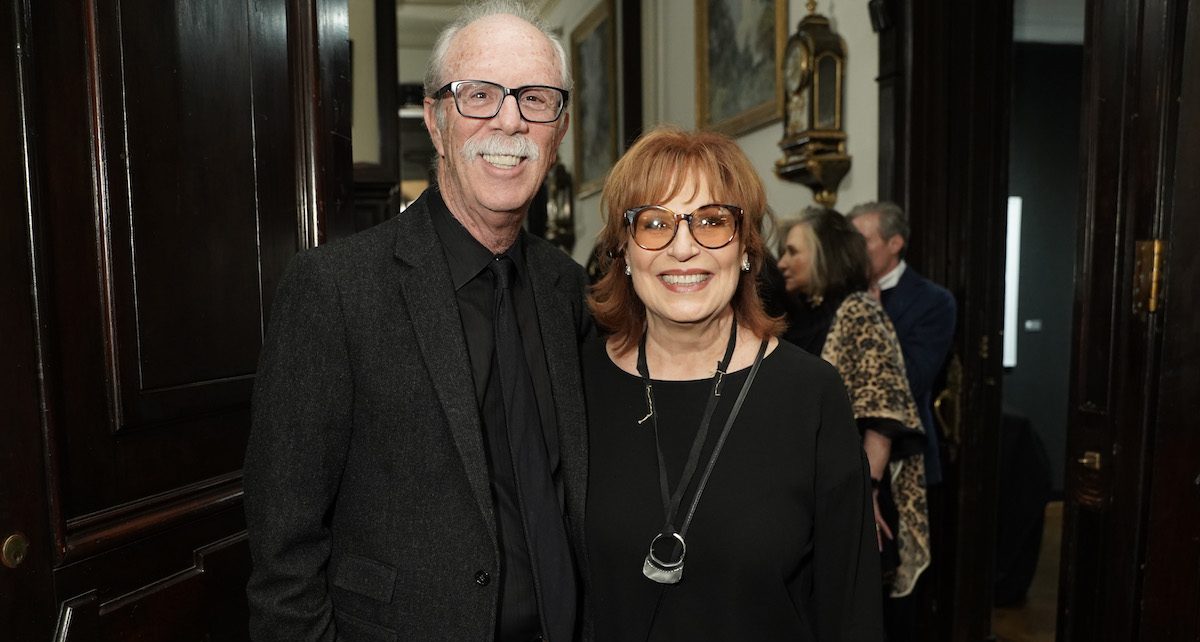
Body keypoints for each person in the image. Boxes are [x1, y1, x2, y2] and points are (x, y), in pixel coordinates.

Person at [243, 2, 591, 641]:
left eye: (536, 99)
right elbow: (282, 554)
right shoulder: (334, 290)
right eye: (479, 95)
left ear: (559, 128)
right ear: (434, 120)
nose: (510, 120)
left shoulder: (567, 288)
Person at [584, 127, 883, 641]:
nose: (684, 248)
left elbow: (849, 605)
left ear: (745, 249)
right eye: (655, 223)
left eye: (712, 221)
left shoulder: (810, 394)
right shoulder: (575, 382)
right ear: (623, 252)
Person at [776, 208, 930, 637]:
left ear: (823, 255)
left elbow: (882, 414)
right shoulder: (803, 316)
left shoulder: (858, 310)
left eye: (793, 252)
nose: (783, 261)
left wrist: (869, 497)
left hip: (857, 496)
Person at [846, 201, 956, 487]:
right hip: (845, 451)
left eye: (864, 241)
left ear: (894, 243)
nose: (854, 251)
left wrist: (876, 320)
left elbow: (914, 379)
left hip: (904, 456)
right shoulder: (842, 293)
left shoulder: (934, 301)